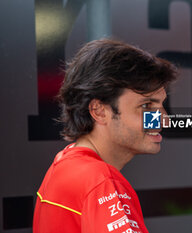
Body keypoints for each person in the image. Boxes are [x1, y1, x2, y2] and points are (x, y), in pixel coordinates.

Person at [33, 39, 177, 233]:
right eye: (146, 106)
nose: (163, 120)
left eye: (161, 106)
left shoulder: (64, 164)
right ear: (99, 111)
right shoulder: (101, 181)